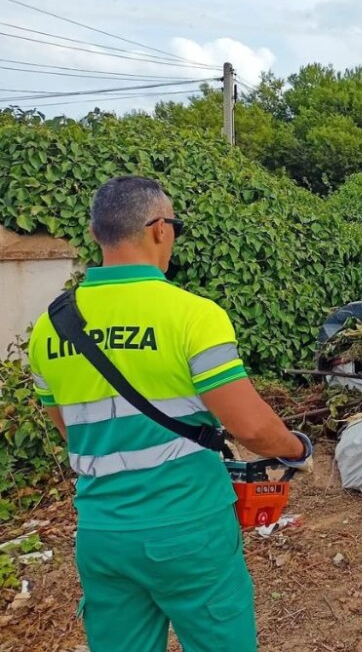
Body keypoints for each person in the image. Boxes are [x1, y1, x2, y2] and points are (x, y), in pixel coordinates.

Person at [26, 175, 313, 652]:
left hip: (101, 535)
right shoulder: (191, 316)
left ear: (98, 234)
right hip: (188, 530)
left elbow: (71, 431)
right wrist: (297, 449)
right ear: (160, 229)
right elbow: (252, 428)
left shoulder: (49, 326)